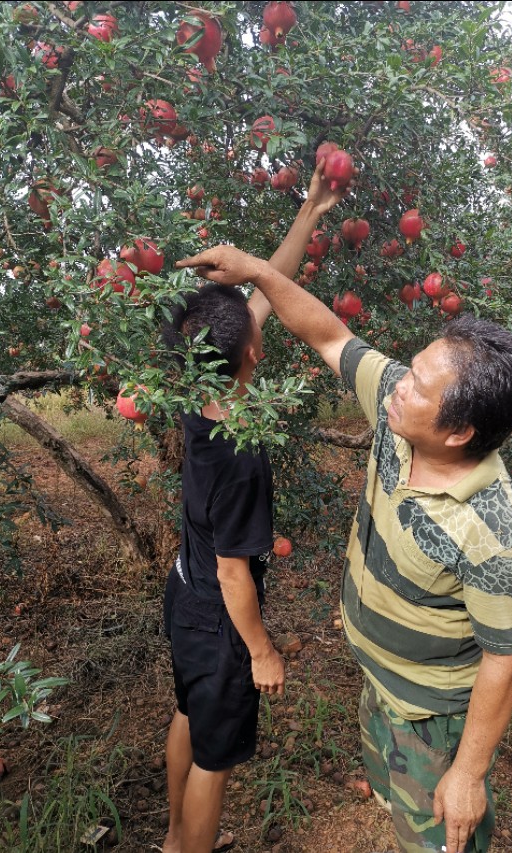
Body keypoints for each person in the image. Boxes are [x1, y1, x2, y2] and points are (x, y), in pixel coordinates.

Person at [176, 162, 512, 853]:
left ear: (459, 431)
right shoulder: (398, 411)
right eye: (411, 368)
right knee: (396, 808)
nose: (400, 384)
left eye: (419, 386)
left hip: (432, 717)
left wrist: (468, 771)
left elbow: (506, 656)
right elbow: (328, 334)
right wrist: (255, 268)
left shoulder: (496, 534)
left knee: (438, 839)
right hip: (381, 687)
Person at [161, 169, 345, 853]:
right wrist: (261, 651)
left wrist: (309, 212)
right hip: (219, 617)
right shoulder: (240, 456)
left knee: (189, 714)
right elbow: (235, 572)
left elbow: (266, 293)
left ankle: (174, 839)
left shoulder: (195, 388)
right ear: (254, 353)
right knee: (215, 760)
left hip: (183, 594)